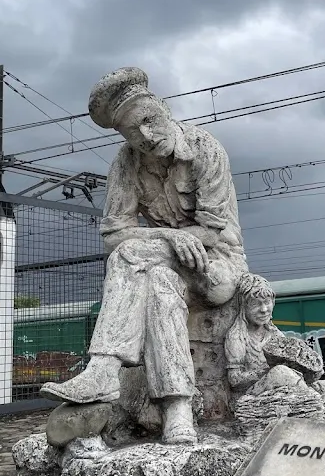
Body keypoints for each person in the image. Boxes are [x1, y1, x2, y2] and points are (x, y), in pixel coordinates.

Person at [40, 68, 248, 445]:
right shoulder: (126, 163)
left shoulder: (205, 149)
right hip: (165, 266)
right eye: (135, 134)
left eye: (150, 122)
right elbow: (112, 234)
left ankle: (104, 367)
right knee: (160, 283)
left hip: (216, 268)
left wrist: (177, 240)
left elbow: (214, 230)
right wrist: (169, 236)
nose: (147, 137)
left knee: (133, 253)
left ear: (164, 109)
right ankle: (178, 410)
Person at [224, 273, 325, 413]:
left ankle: (318, 415)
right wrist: (269, 372)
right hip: (251, 393)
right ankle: (313, 406)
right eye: (256, 304)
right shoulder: (237, 336)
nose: (264, 309)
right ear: (244, 306)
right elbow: (234, 379)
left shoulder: (275, 333)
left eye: (267, 302)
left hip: (285, 385)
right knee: (280, 372)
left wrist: (308, 369)